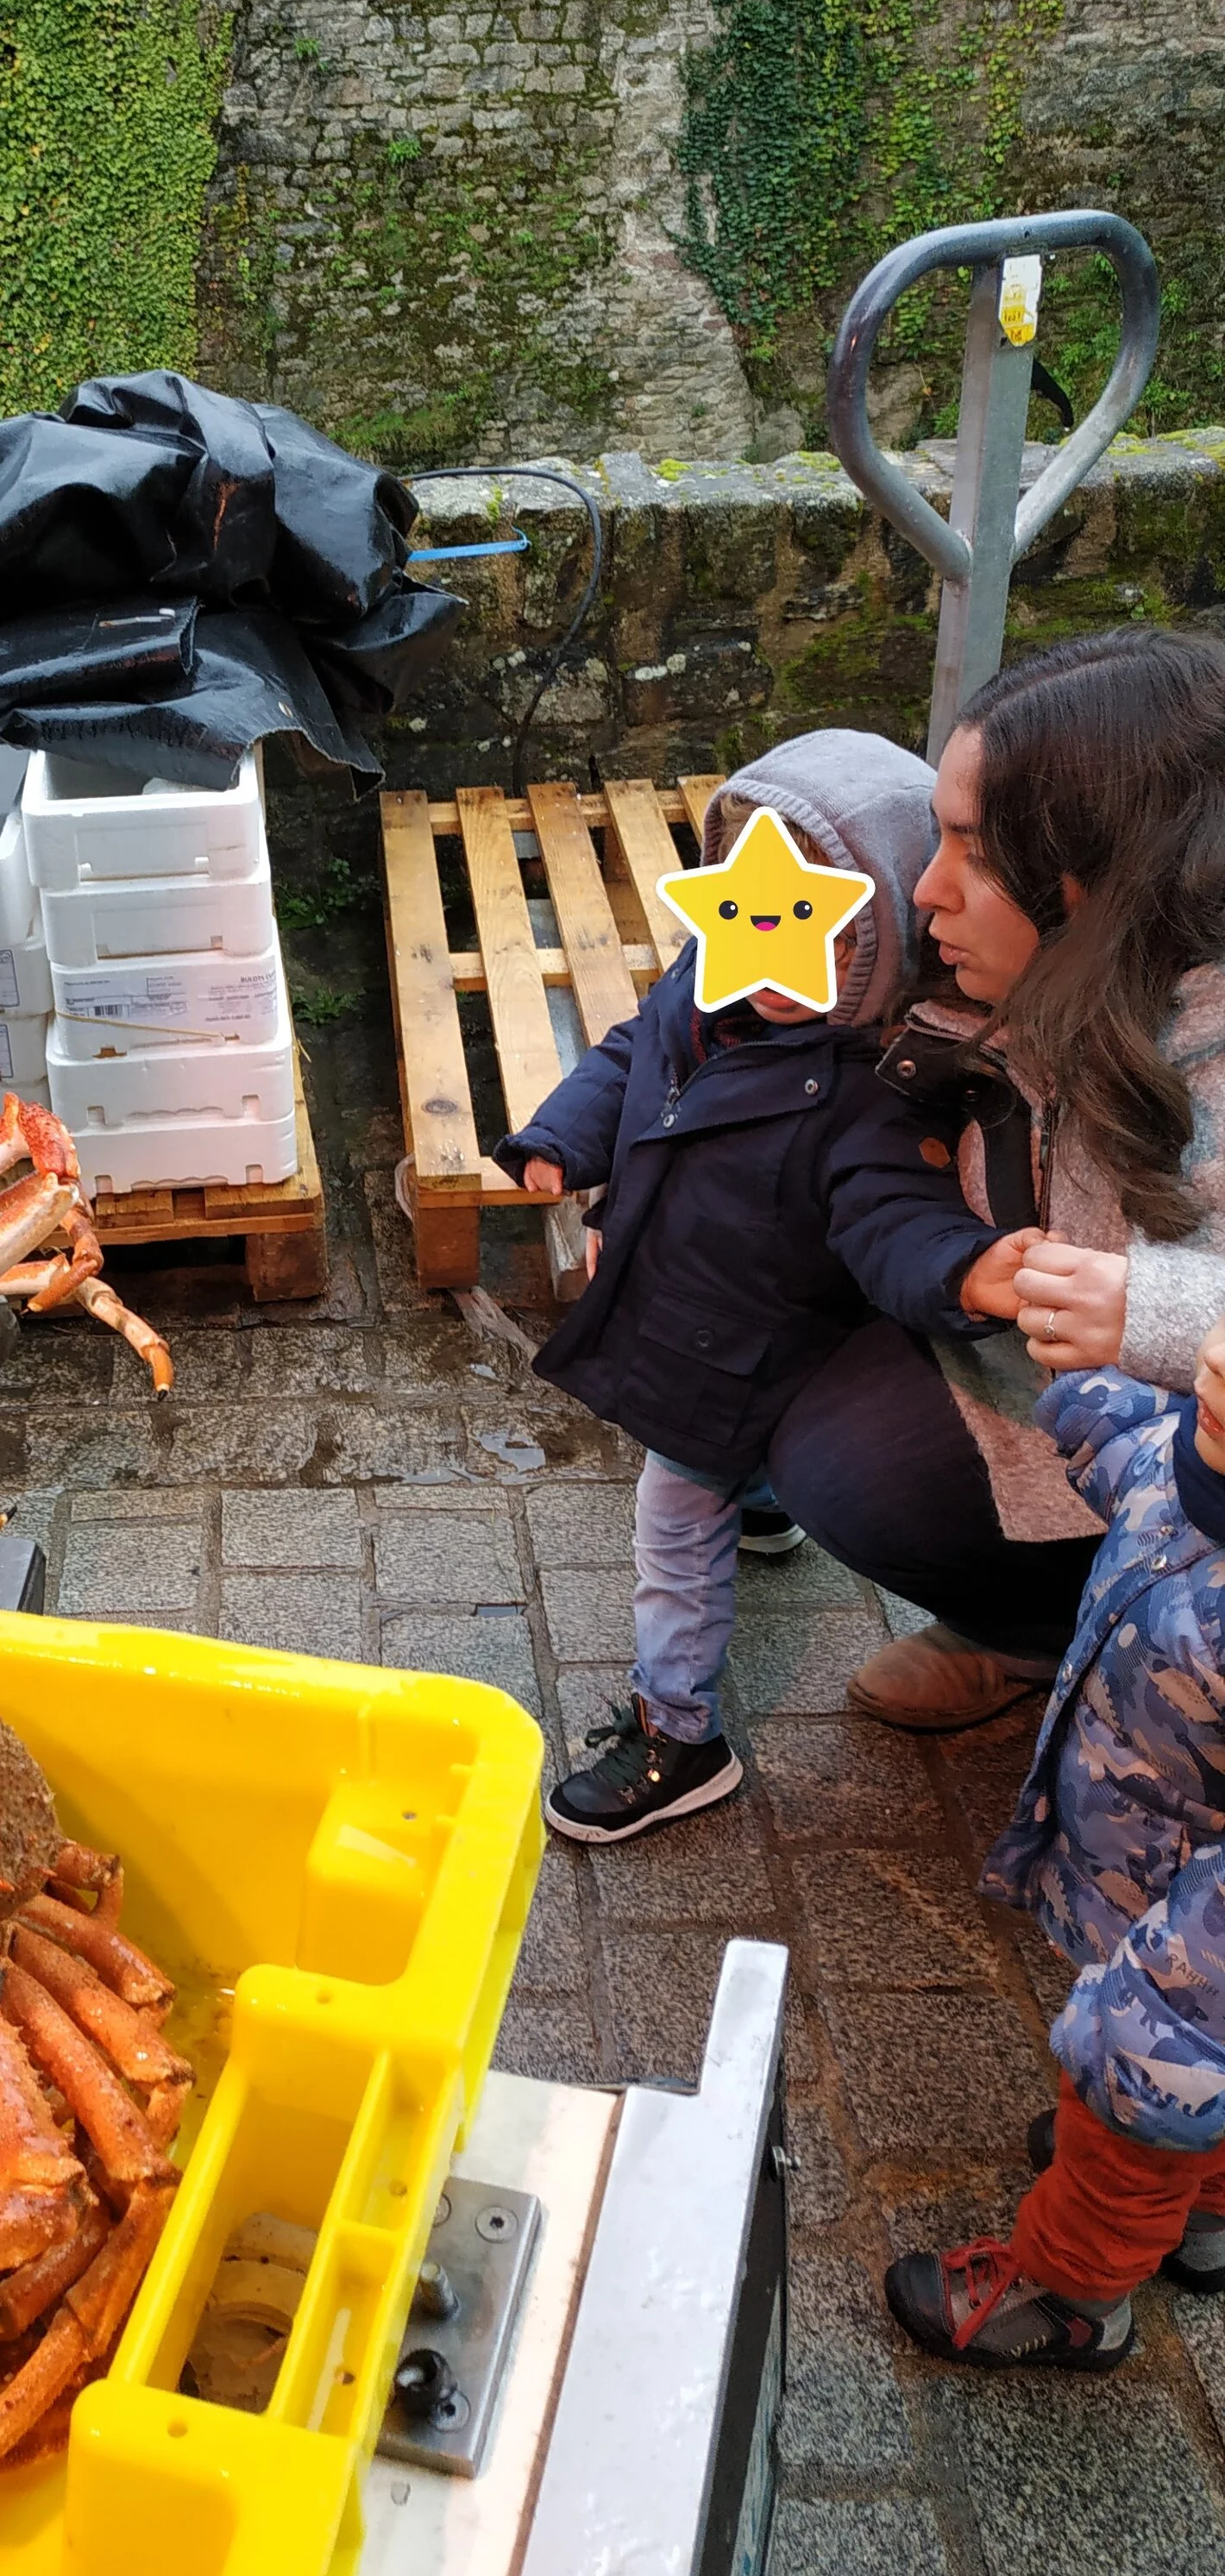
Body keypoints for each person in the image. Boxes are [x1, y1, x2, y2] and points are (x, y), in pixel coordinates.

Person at [494, 734, 1029, 1843]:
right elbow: (629, 1049)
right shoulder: (705, 984)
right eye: (747, 918)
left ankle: (676, 1730)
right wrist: (565, 1136)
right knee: (726, 1484)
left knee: (670, 1526)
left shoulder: (878, 1086)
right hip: (680, 1286)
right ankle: (766, 1509)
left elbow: (893, 1213)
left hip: (745, 1342)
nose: (774, 964)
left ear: (880, 926)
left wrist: (961, 1273)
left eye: (822, 939)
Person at [763, 631, 1225, 1731]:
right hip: (1028, 1358)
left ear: (1110, 867)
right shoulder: (1013, 982)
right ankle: (1033, 1629)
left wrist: (1157, 1309)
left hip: (1176, 1442)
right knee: (804, 1414)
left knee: (853, 1471)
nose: (926, 889)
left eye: (973, 848)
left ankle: (1105, 1646)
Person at [884, 1326, 1225, 2369]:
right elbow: (1145, 1464)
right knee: (1175, 2116)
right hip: (1141, 1879)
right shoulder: (1202, 1460)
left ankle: (1071, 2296)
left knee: (1128, 2117)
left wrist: (1149, 2035)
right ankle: (1203, 2219)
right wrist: (1083, 1385)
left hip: (1184, 1977)